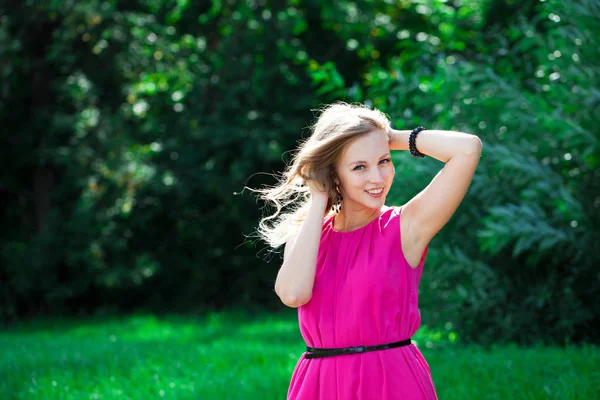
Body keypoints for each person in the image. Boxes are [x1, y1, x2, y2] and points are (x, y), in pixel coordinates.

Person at [255, 101, 482, 399]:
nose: (377, 178)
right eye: (359, 167)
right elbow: (294, 294)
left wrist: (389, 135)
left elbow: (468, 149)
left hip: (392, 380)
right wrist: (318, 198)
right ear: (334, 175)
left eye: (384, 161)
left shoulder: (405, 227)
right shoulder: (309, 235)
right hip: (319, 384)